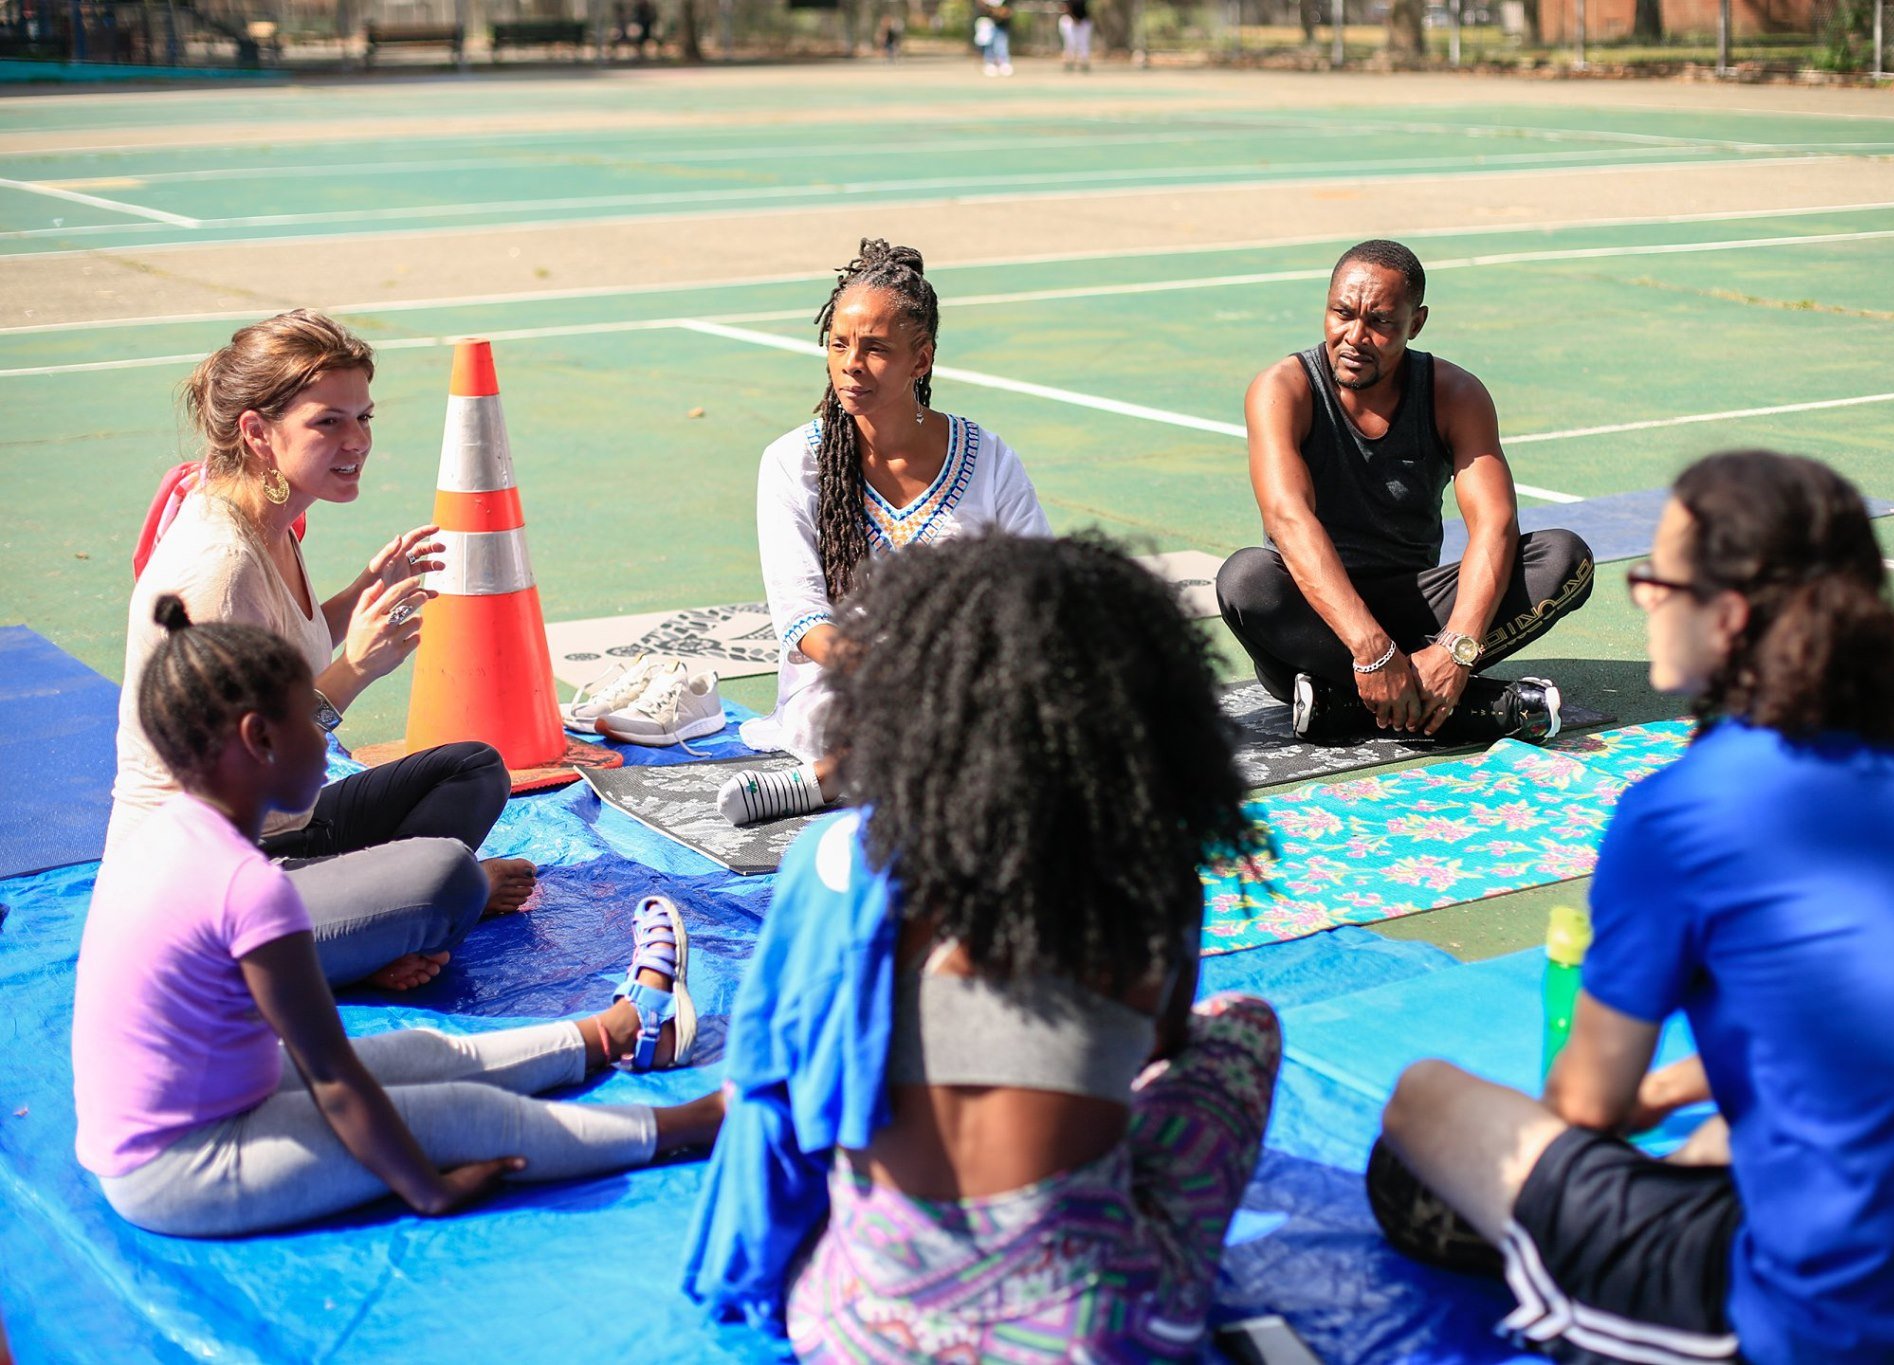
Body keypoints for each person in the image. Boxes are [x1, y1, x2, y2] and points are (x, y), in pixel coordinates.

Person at [1374, 451, 1894, 1364]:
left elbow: (1589, 1101)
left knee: (1424, 1107)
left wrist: (1641, 1100)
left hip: (1823, 1323)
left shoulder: (1681, 811)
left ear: (1728, 617)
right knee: (1724, 1140)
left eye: (1659, 577)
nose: (1643, 594)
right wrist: (1681, 1093)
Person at [682, 534, 1281, 1359]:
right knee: (1242, 1024)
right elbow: (1164, 1050)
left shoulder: (834, 865)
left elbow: (770, 1101)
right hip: (1093, 1338)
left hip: (858, 1332)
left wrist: (742, 1279)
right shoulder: (1151, 875)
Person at [76, 597, 727, 1238]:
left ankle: (605, 1035)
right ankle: (692, 1122)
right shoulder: (246, 887)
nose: (324, 738)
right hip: (181, 1165)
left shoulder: (166, 834)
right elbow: (336, 1081)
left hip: (198, 1102)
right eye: (310, 718)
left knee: (419, 1052)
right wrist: (430, 1187)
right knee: (456, 1114)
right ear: (259, 739)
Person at [114, 310, 535, 992]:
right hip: (206, 889)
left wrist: (363, 590)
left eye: (364, 417)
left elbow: (279, 639)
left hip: (285, 835)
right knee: (445, 877)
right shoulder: (219, 567)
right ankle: (379, 931)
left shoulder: (268, 518)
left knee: (475, 768)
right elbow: (248, 769)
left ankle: (372, 923)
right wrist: (353, 671)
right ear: (256, 431)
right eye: (328, 421)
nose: (357, 440)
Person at [718, 239, 1049, 826]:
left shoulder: (990, 458)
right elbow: (800, 618)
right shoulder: (792, 461)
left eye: (876, 349)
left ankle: (839, 776)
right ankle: (850, 765)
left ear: (920, 360)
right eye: (839, 344)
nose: (851, 364)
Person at [1216, 239, 1594, 745]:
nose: (1355, 336)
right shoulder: (1284, 389)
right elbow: (1289, 521)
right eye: (1341, 314)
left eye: (1381, 323)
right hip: (1316, 622)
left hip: (1418, 608)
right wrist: (1372, 650)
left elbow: (1494, 525)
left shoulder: (1454, 395)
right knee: (1247, 579)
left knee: (1566, 557)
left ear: (1416, 323)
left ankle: (1348, 705)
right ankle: (1480, 708)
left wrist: (1456, 649)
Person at [979, 0, 1013, 74]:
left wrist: (1001, 12)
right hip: (987, 22)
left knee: (1001, 43)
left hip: (1001, 24)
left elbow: (1008, 9)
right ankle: (989, 63)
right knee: (989, 43)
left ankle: (1004, 63)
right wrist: (991, 10)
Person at [1060, 0, 1091, 70]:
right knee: (1070, 42)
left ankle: (1083, 62)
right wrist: (1074, 19)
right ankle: (1069, 62)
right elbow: (1065, 8)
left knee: (1083, 43)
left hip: (1083, 21)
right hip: (1070, 21)